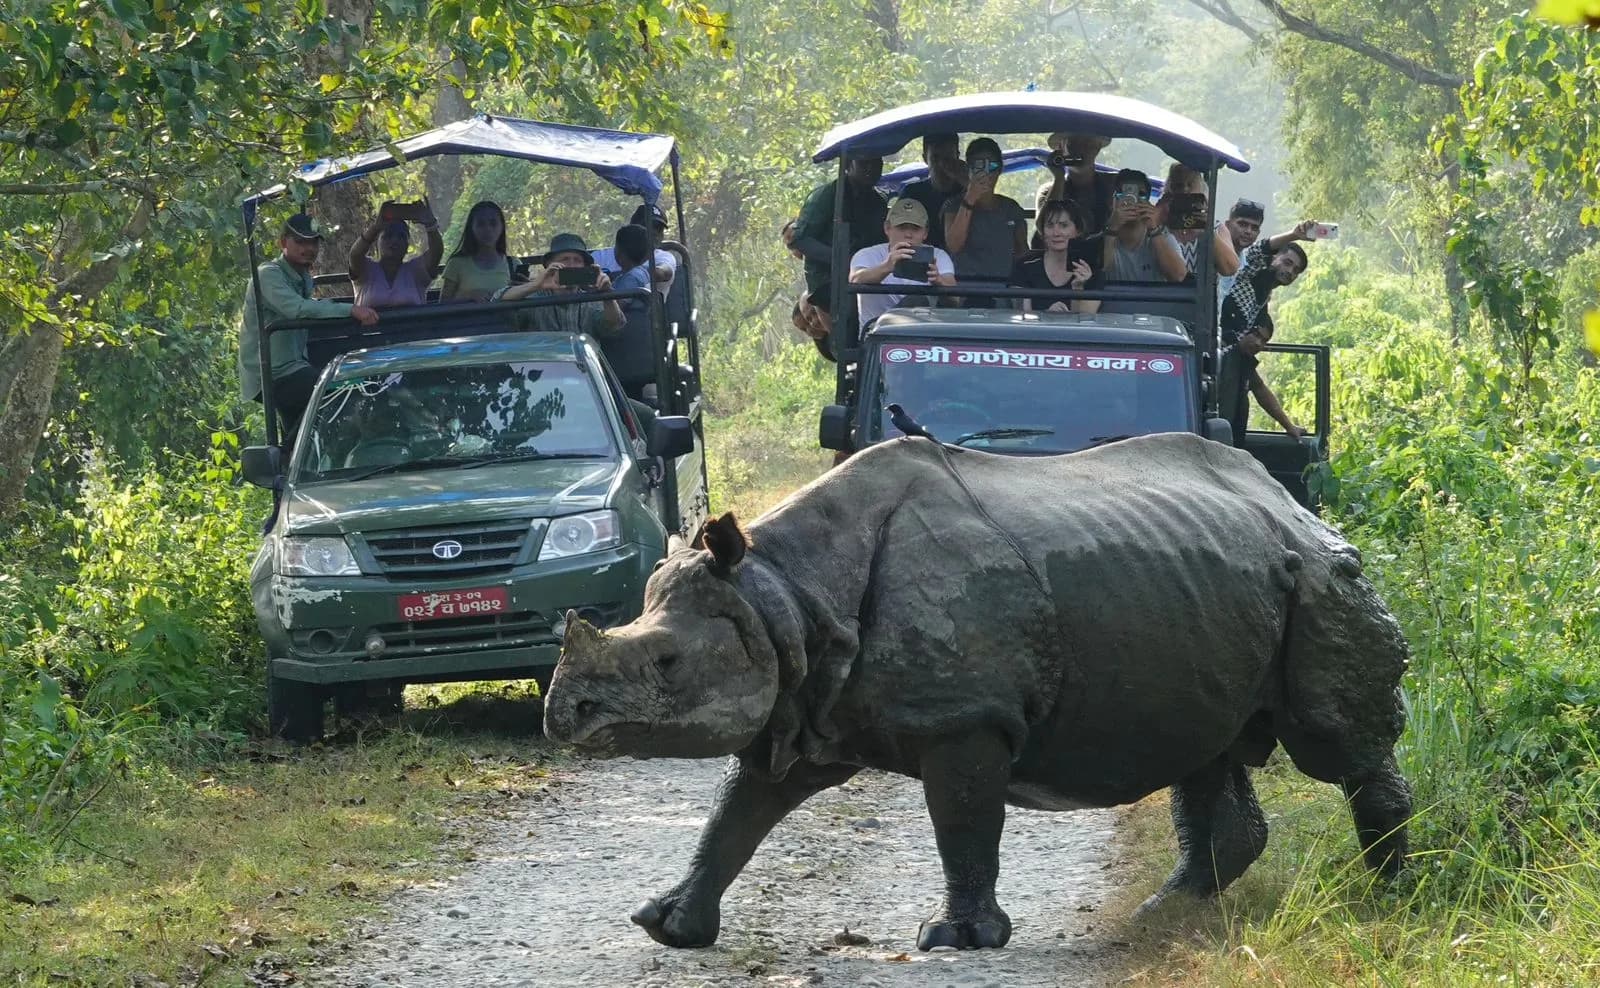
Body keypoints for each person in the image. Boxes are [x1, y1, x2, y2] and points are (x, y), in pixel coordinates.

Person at [239, 213, 380, 441]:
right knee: (340, 392)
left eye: (313, 241)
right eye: (300, 241)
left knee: (299, 431)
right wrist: (350, 310)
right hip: (270, 373)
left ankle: (293, 457)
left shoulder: (303, 277)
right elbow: (297, 309)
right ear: (283, 243)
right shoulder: (268, 275)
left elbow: (309, 306)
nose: (308, 248)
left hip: (294, 366)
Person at [791, 154, 888, 319]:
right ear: (848, 165)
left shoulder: (878, 202)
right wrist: (843, 258)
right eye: (864, 163)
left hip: (864, 276)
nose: (871, 169)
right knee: (851, 309)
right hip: (827, 281)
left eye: (876, 162)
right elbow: (801, 239)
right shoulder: (826, 196)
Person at [848, 197, 956, 328]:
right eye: (902, 227)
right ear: (887, 228)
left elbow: (955, 298)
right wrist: (887, 266)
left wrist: (939, 280)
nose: (908, 235)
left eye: (915, 228)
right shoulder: (866, 255)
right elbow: (855, 279)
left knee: (918, 301)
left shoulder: (938, 256)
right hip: (875, 336)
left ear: (925, 233)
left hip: (922, 337)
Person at [941, 137, 1028, 298]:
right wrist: (970, 198)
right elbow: (954, 245)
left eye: (992, 166)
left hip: (1002, 290)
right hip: (962, 290)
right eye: (978, 166)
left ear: (1000, 169)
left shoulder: (1011, 208)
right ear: (968, 169)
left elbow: (1022, 252)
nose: (985, 173)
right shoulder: (953, 205)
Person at [492, 233, 624, 335]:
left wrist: (607, 295)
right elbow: (497, 299)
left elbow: (614, 325)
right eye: (564, 259)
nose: (571, 265)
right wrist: (536, 285)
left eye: (577, 260)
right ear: (550, 265)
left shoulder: (592, 300)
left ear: (585, 266)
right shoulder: (534, 300)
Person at [1219, 220, 1314, 345]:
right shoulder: (1248, 273)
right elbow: (1258, 249)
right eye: (1287, 263)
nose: (1290, 271)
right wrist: (1294, 235)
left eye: (1296, 270)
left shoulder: (1264, 299)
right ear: (1274, 257)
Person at [1217, 316, 1304, 446]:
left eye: (1264, 341)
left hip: (1231, 441)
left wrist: (1289, 426)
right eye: (1256, 335)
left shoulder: (1244, 361)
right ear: (1244, 330)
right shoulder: (1222, 356)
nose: (1259, 344)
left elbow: (1260, 390)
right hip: (1215, 440)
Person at [1011, 198, 1102, 314]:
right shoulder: (1024, 267)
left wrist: (1078, 289)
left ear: (1077, 230)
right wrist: (1046, 315)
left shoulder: (1090, 271)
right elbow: (1021, 317)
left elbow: (1086, 321)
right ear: (1042, 231)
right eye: (1050, 226)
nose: (1056, 233)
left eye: (1064, 226)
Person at [347, 200, 444, 308]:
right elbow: (354, 255)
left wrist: (430, 224)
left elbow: (436, 252)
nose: (394, 240)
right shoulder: (366, 270)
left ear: (408, 245)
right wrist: (376, 227)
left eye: (401, 237)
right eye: (388, 235)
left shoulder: (415, 271)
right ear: (376, 241)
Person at [1101, 169, 1187, 284]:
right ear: (1112, 201)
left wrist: (1154, 229)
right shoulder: (1102, 239)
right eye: (1124, 193)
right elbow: (1098, 271)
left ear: (1148, 201)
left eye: (1140, 194)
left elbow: (1179, 277)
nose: (1132, 200)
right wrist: (1111, 229)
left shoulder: (1164, 238)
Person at [1160, 163, 1238, 281]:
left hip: (1203, 297)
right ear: (1170, 190)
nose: (1185, 190)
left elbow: (1230, 269)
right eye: (1179, 185)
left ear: (1202, 189)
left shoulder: (1215, 226)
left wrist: (1207, 230)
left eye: (1190, 185)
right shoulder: (1159, 227)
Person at [592, 202, 678, 297]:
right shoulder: (600, 257)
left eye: (659, 229)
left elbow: (664, 272)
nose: (654, 233)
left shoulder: (663, 257)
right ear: (631, 228)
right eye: (646, 227)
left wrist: (630, 276)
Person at [1036, 133, 1116, 234]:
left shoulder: (1115, 183)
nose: (1080, 150)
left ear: (1097, 148)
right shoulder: (1048, 191)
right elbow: (1045, 229)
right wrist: (1059, 177)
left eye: (1087, 144)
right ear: (1061, 148)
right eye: (1073, 144)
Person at [897, 133, 965, 250]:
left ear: (957, 157)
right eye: (935, 158)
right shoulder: (912, 194)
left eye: (948, 158)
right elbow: (898, 237)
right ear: (925, 158)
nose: (941, 165)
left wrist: (970, 186)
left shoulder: (969, 191)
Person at [440, 200, 512, 302]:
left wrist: (525, 288)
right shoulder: (456, 263)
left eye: (493, 223)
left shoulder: (512, 265)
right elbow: (443, 303)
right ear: (471, 228)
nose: (488, 229)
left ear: (502, 227)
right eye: (481, 224)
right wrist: (468, 297)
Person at [1217, 198, 1265, 301]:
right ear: (1227, 225)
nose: (1248, 231)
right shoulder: (1213, 250)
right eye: (1242, 224)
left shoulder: (1244, 264)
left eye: (1254, 228)